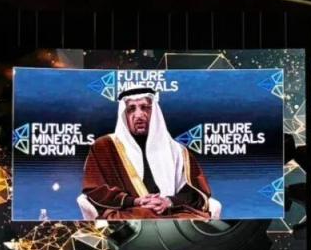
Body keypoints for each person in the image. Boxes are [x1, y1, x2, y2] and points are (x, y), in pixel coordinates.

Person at [81, 87, 212, 219]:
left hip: (171, 212)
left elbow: (195, 192)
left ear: (155, 112)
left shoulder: (177, 150)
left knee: (197, 221)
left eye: (145, 108)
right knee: (143, 215)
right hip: (130, 212)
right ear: (124, 115)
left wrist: (168, 201)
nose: (138, 115)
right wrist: (135, 201)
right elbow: (95, 189)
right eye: (131, 109)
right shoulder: (104, 147)